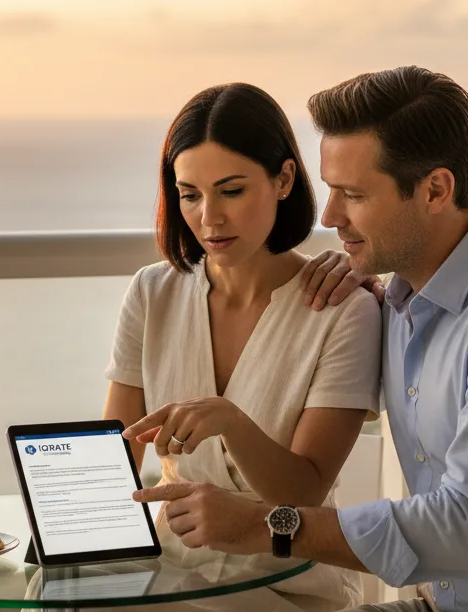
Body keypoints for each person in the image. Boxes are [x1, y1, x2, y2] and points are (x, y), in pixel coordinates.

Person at [133, 66, 468, 612]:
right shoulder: (395, 303)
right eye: (332, 190)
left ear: (435, 190)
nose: (330, 215)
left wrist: (266, 526)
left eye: (353, 194)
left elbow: (466, 529)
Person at [102, 82, 382, 611]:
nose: (209, 218)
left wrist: (232, 421)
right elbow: (118, 452)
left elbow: (303, 494)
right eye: (190, 195)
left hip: (284, 586)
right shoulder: (150, 293)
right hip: (169, 573)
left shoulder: (344, 312)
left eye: (231, 191)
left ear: (283, 179)